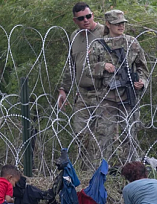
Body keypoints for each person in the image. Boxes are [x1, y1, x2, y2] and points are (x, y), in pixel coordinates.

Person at [87, 10, 149, 163]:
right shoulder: (97, 45)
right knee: (104, 137)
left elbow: (142, 68)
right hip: (107, 98)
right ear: (108, 24)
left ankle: (132, 170)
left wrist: (141, 82)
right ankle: (100, 173)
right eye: (117, 23)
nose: (121, 26)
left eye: (122, 23)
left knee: (130, 135)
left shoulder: (132, 43)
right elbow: (88, 69)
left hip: (128, 97)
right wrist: (102, 66)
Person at [57, 3, 106, 163]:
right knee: (81, 133)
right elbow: (70, 65)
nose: (86, 20)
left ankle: (104, 169)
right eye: (81, 18)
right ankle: (86, 171)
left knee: (103, 134)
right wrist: (63, 90)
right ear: (75, 20)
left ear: (92, 15)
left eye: (88, 16)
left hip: (103, 91)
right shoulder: (75, 37)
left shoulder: (105, 32)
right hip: (83, 93)